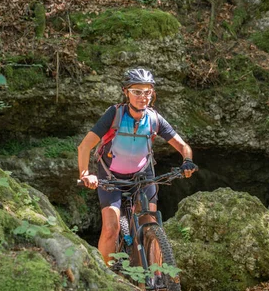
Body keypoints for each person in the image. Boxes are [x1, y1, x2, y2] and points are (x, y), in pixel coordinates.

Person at [78, 68, 197, 265]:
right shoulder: (114, 114)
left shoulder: (154, 119)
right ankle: (107, 279)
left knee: (150, 224)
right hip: (110, 177)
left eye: (148, 92)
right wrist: (85, 174)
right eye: (137, 92)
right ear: (126, 92)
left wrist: (187, 160)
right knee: (111, 228)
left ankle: (157, 280)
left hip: (143, 176)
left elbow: (183, 146)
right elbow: (84, 146)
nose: (143, 97)